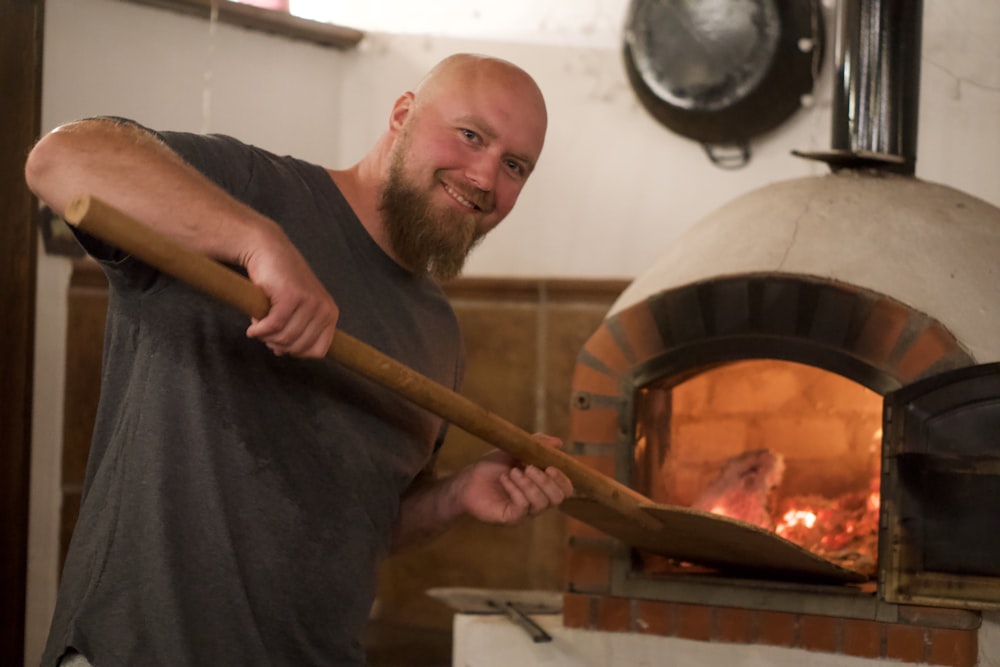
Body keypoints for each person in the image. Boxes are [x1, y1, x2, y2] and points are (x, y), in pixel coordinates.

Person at [25, 53, 573, 667]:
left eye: (514, 166)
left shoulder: (437, 334)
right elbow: (62, 159)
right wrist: (257, 243)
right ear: (402, 115)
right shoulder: (255, 191)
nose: (484, 177)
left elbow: (362, 525)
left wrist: (458, 497)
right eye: (471, 135)